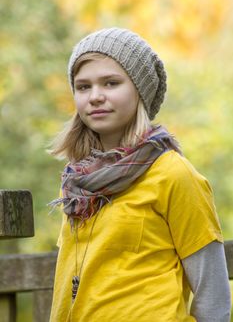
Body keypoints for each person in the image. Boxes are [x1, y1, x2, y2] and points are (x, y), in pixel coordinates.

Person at [49, 28, 231, 321]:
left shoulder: (174, 174)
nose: (95, 96)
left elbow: (213, 294)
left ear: (140, 91)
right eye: (83, 87)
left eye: (111, 83)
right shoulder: (76, 184)